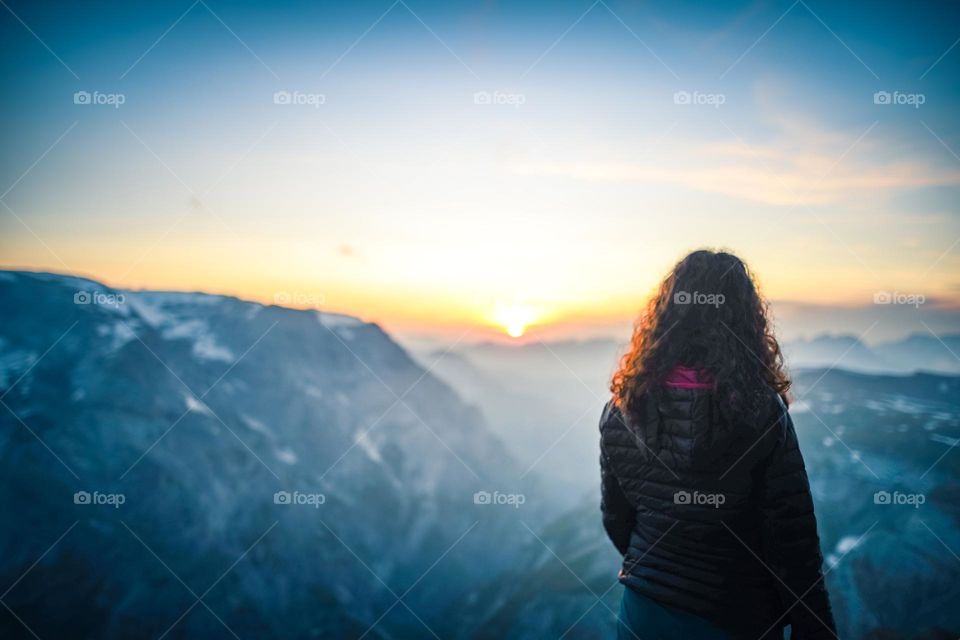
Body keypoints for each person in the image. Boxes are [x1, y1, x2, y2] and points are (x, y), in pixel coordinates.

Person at [600, 249, 836, 640]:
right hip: (735, 615)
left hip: (644, 612)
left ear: (665, 317)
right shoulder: (760, 411)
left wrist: (660, 568)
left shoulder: (624, 407)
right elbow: (791, 538)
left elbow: (617, 519)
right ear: (745, 320)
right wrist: (818, 628)